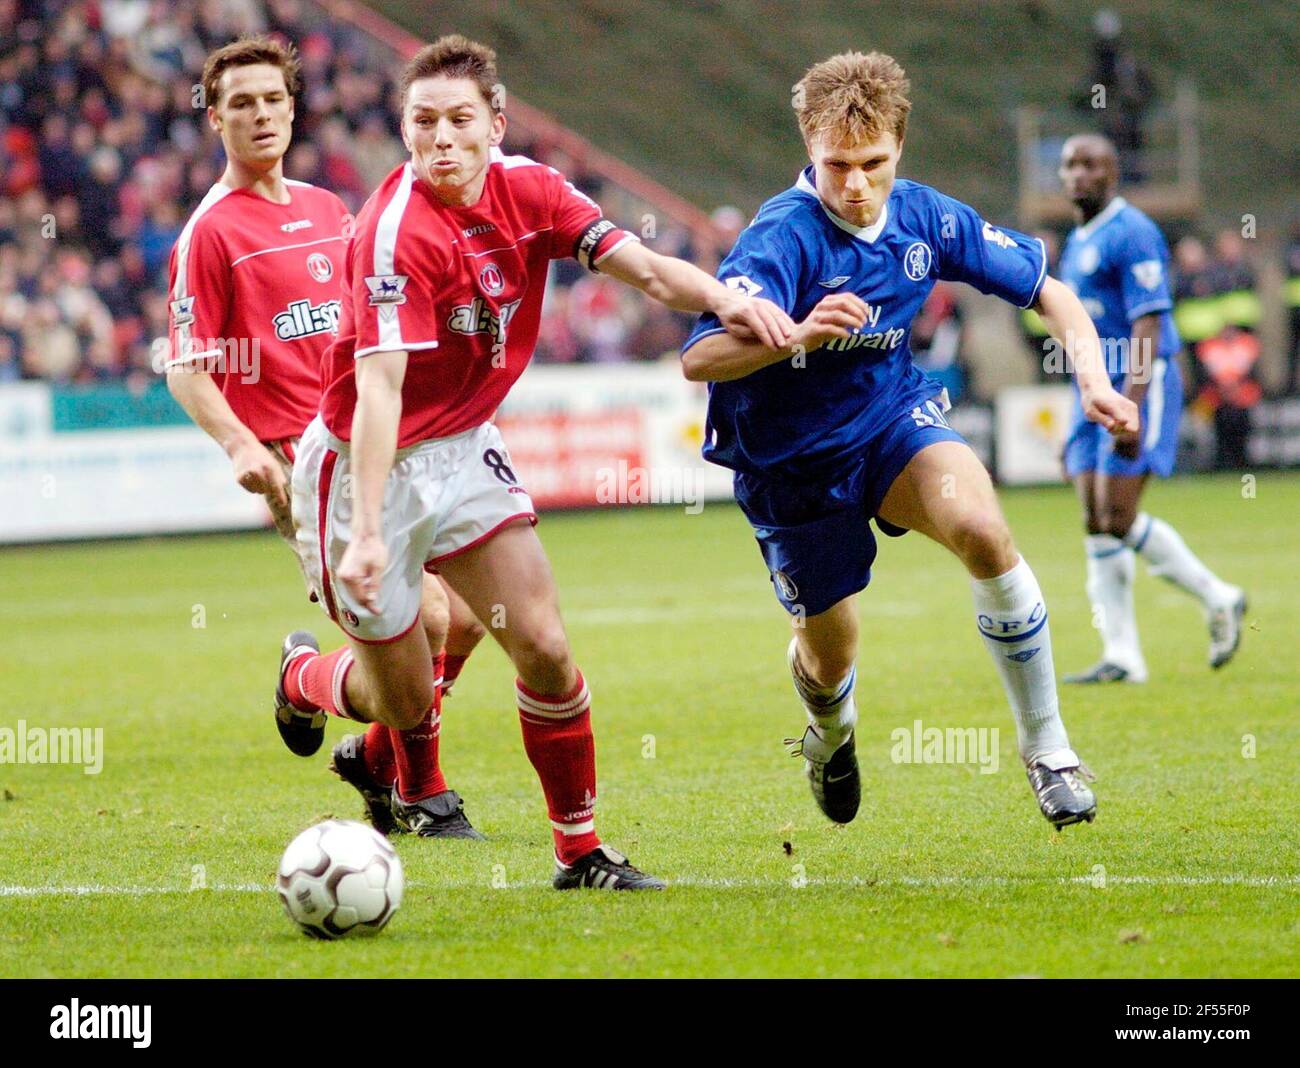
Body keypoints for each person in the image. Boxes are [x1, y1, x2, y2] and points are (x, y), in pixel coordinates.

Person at [279, 35, 793, 889]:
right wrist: (367, 534)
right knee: (403, 707)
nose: (440, 139)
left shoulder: (532, 190)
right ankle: (303, 678)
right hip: (363, 471)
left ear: (496, 125)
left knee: (546, 646)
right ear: (403, 131)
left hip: (464, 449)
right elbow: (379, 393)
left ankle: (580, 852)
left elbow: (649, 273)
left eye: (458, 121)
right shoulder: (392, 233)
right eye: (422, 123)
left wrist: (726, 297)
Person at [681, 52, 1139, 830]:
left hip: (893, 423)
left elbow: (1051, 293)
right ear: (809, 149)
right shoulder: (779, 239)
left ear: (900, 148)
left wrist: (1094, 382)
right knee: (830, 655)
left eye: (873, 164)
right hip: (789, 465)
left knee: (984, 532)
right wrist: (792, 333)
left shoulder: (927, 216)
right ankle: (831, 733)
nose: (855, 185)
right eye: (836, 166)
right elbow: (699, 357)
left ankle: (1049, 749)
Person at [164, 36, 487, 839]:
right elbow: (186, 366)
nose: (260, 114)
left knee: (479, 615)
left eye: (272, 99)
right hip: (301, 465)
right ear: (214, 119)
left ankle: (326, 703)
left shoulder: (328, 209)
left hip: (385, 446)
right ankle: (422, 793)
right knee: (429, 623)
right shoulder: (210, 233)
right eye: (240, 103)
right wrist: (242, 446)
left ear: (293, 105)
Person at [1056, 133, 1246, 683]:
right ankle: (1123, 656)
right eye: (1070, 165)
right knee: (1095, 520)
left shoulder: (1133, 231)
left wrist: (1131, 404)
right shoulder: (1078, 238)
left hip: (1137, 382)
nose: (1077, 174)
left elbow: (1148, 320)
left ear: (1113, 174)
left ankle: (1218, 596)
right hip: (1091, 388)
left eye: (1090, 165)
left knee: (1117, 517)